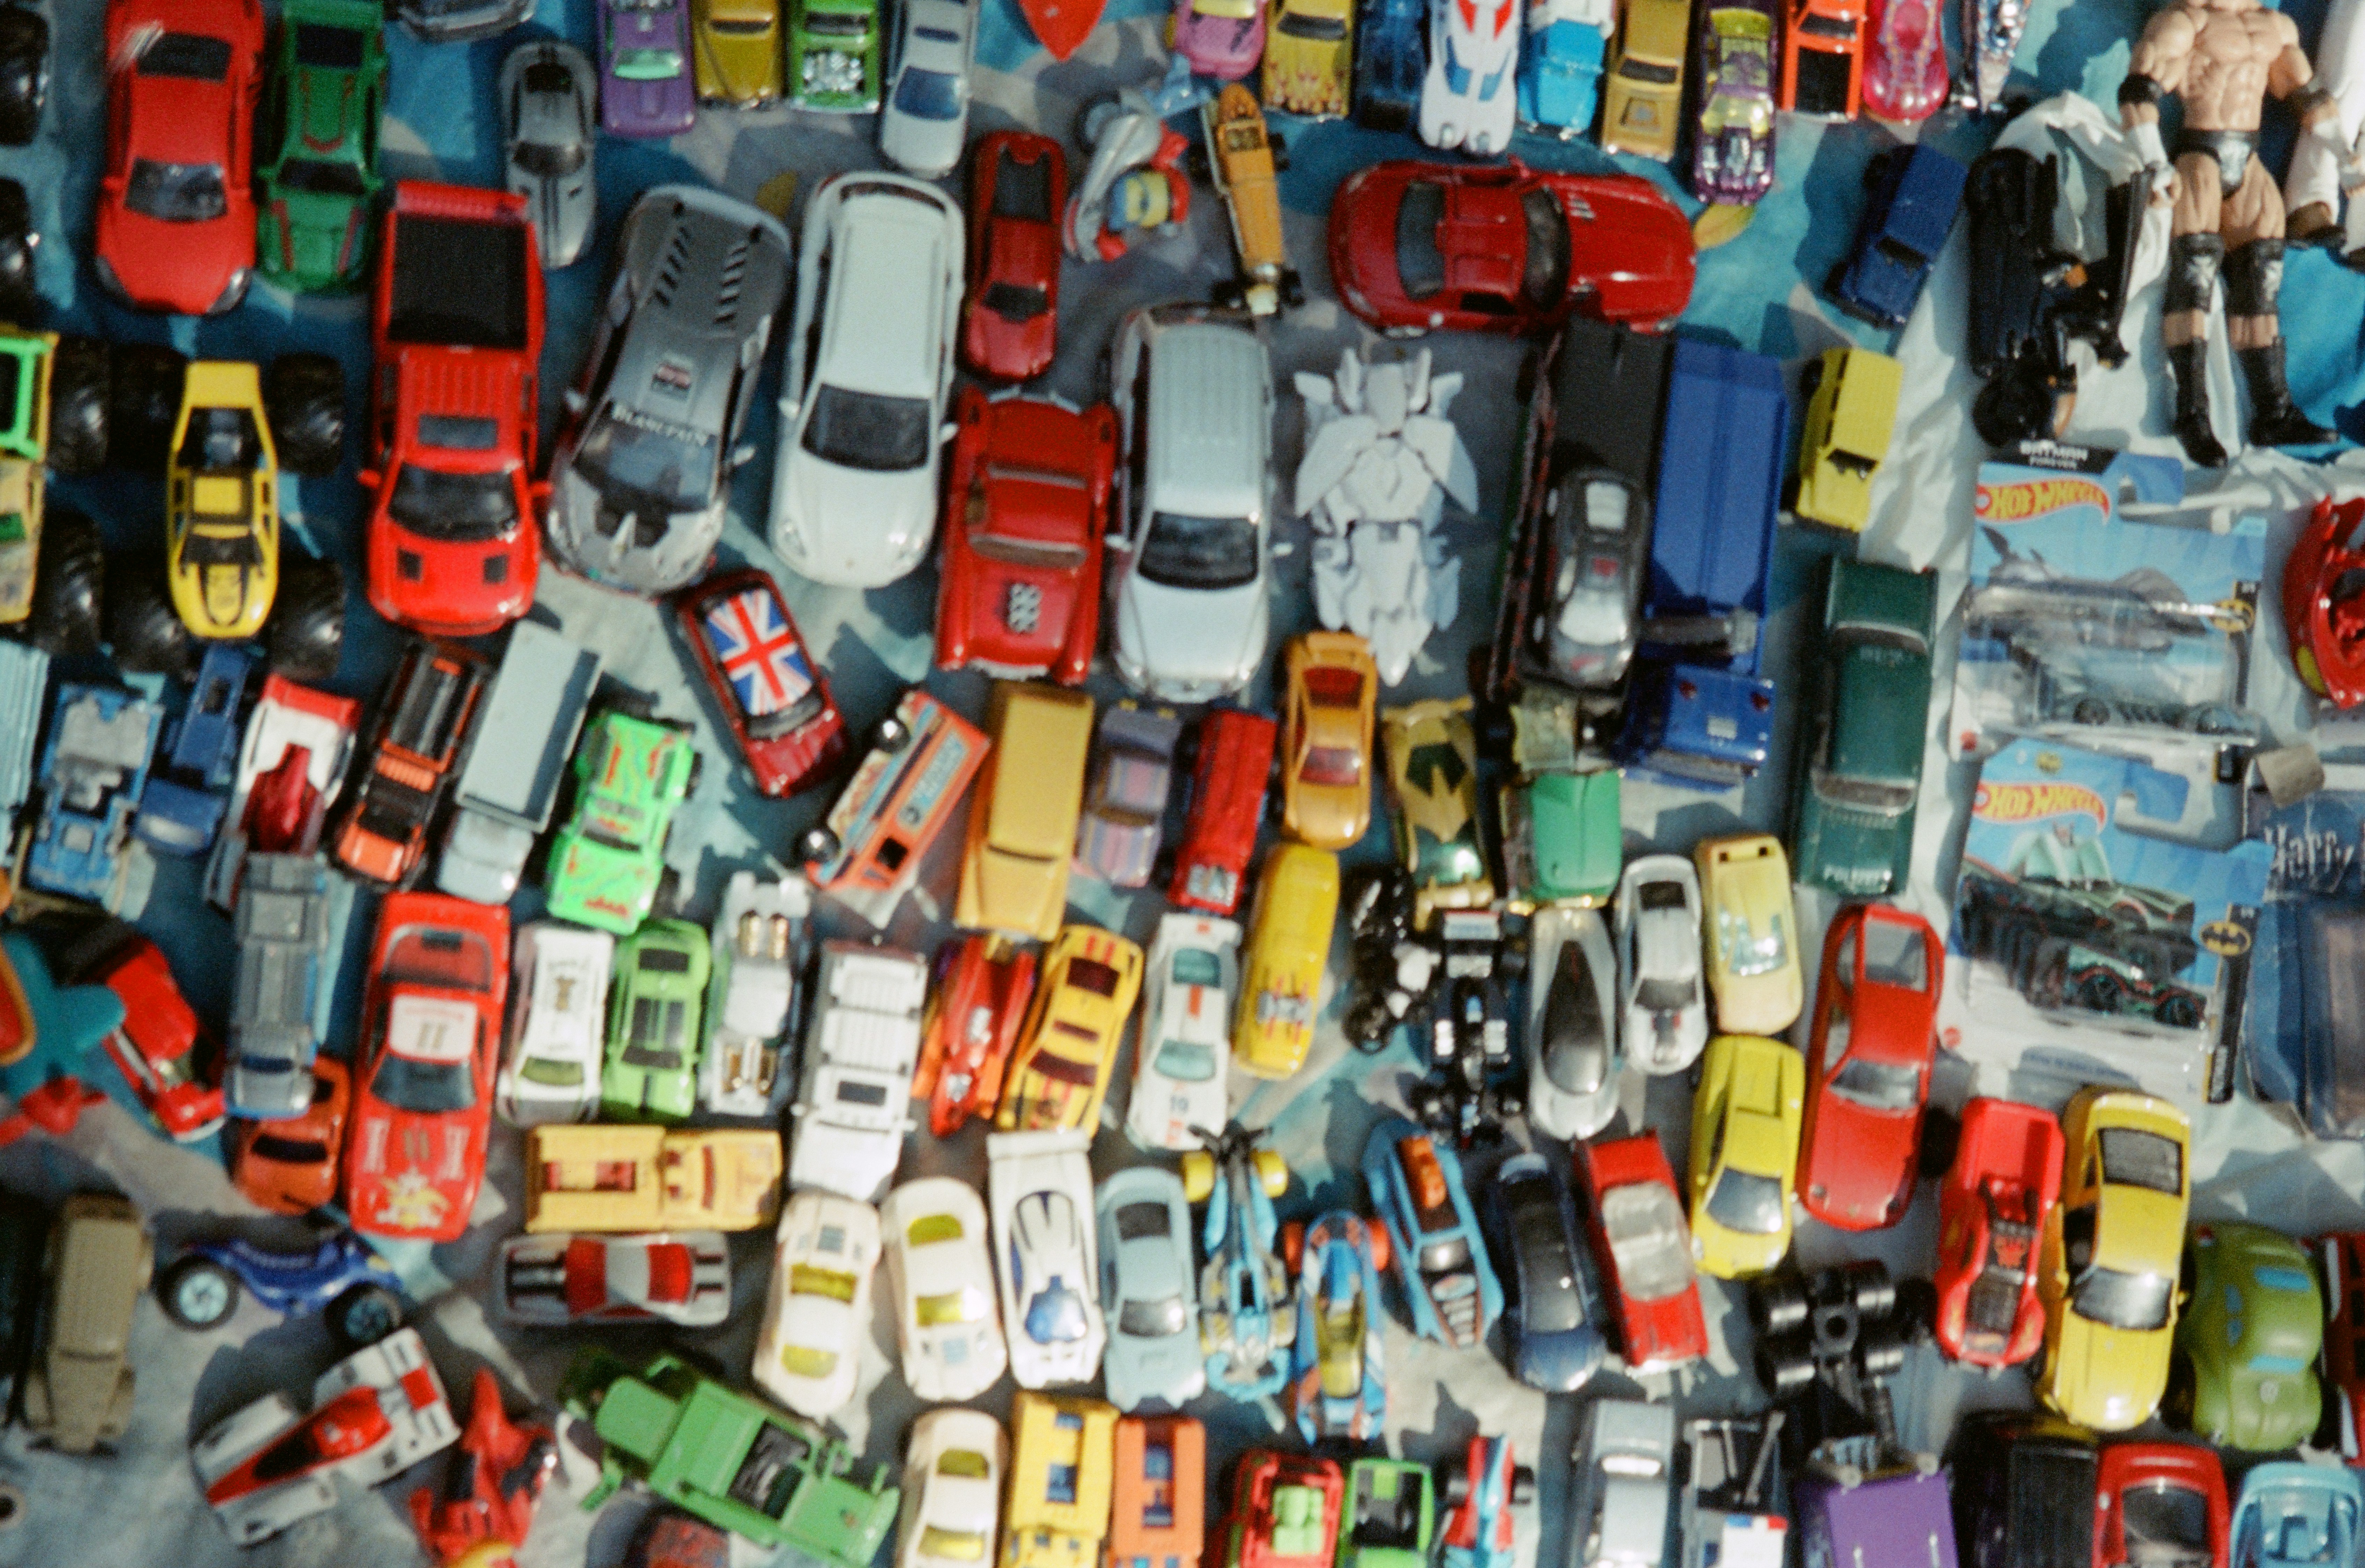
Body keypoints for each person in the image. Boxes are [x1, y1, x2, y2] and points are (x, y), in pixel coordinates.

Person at [2121, 0, 2341, 465]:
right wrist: (2153, 160)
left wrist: (2342, 152)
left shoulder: (2274, 28)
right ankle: (2191, 414)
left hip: (2249, 160)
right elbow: (2139, 91)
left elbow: (2309, 98)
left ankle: (2274, 412)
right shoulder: (2186, 20)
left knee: (2259, 288)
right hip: (2199, 155)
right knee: (2192, 284)